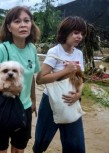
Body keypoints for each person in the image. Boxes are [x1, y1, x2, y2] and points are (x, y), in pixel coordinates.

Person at [0, 6, 41, 153]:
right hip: (2, 108)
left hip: (24, 107)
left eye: (27, 21)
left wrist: (33, 100)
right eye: (17, 21)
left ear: (31, 24)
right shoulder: (1, 49)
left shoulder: (32, 48)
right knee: (0, 150)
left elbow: (30, 77)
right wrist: (8, 87)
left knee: (19, 148)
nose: (23, 25)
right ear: (9, 28)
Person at [32, 16, 87, 153]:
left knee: (76, 145)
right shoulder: (54, 52)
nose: (79, 36)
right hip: (51, 101)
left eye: (81, 33)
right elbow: (40, 79)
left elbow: (81, 78)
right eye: (75, 32)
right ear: (66, 32)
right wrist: (65, 71)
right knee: (41, 141)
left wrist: (79, 93)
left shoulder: (79, 54)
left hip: (71, 100)